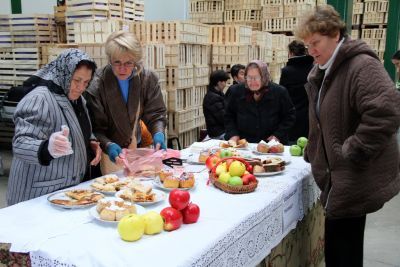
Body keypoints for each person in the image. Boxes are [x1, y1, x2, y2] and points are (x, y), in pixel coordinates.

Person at [295, 5, 400, 267]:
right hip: (339, 179)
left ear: (335, 34)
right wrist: (315, 150)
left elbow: (387, 111)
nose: (311, 51)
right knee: (342, 249)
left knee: (343, 250)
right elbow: (326, 120)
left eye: (315, 42)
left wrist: (353, 150)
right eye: (307, 45)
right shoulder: (325, 70)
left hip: (353, 178)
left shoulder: (360, 66)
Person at [7, 49, 101, 206]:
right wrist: (46, 148)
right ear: (64, 73)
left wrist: (89, 141)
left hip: (63, 192)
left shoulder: (77, 99)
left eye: (86, 82)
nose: (80, 87)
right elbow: (20, 143)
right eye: (76, 80)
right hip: (36, 194)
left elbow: (79, 126)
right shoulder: (40, 98)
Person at [86, 31, 167, 172]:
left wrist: (158, 133)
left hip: (136, 146)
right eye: (117, 62)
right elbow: (95, 127)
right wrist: (108, 144)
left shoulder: (147, 79)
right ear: (109, 59)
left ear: (136, 61)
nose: (122, 69)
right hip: (110, 154)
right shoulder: (97, 85)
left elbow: (156, 113)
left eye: (128, 63)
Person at [224, 60, 295, 144]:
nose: (252, 81)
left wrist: (278, 135)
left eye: (257, 77)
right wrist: (233, 134)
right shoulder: (235, 91)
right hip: (243, 143)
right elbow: (228, 115)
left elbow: (289, 116)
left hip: (271, 144)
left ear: (264, 77)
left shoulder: (279, 92)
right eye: (249, 77)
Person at [279, 40, 314, 143]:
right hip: (310, 114)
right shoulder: (313, 68)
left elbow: (283, 94)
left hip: (293, 114)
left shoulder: (287, 71)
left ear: (291, 53)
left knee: (294, 143)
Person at [202, 70, 230, 139]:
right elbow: (223, 117)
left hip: (221, 131)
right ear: (219, 82)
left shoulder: (219, 94)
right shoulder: (213, 97)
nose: (225, 84)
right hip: (218, 133)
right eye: (224, 82)